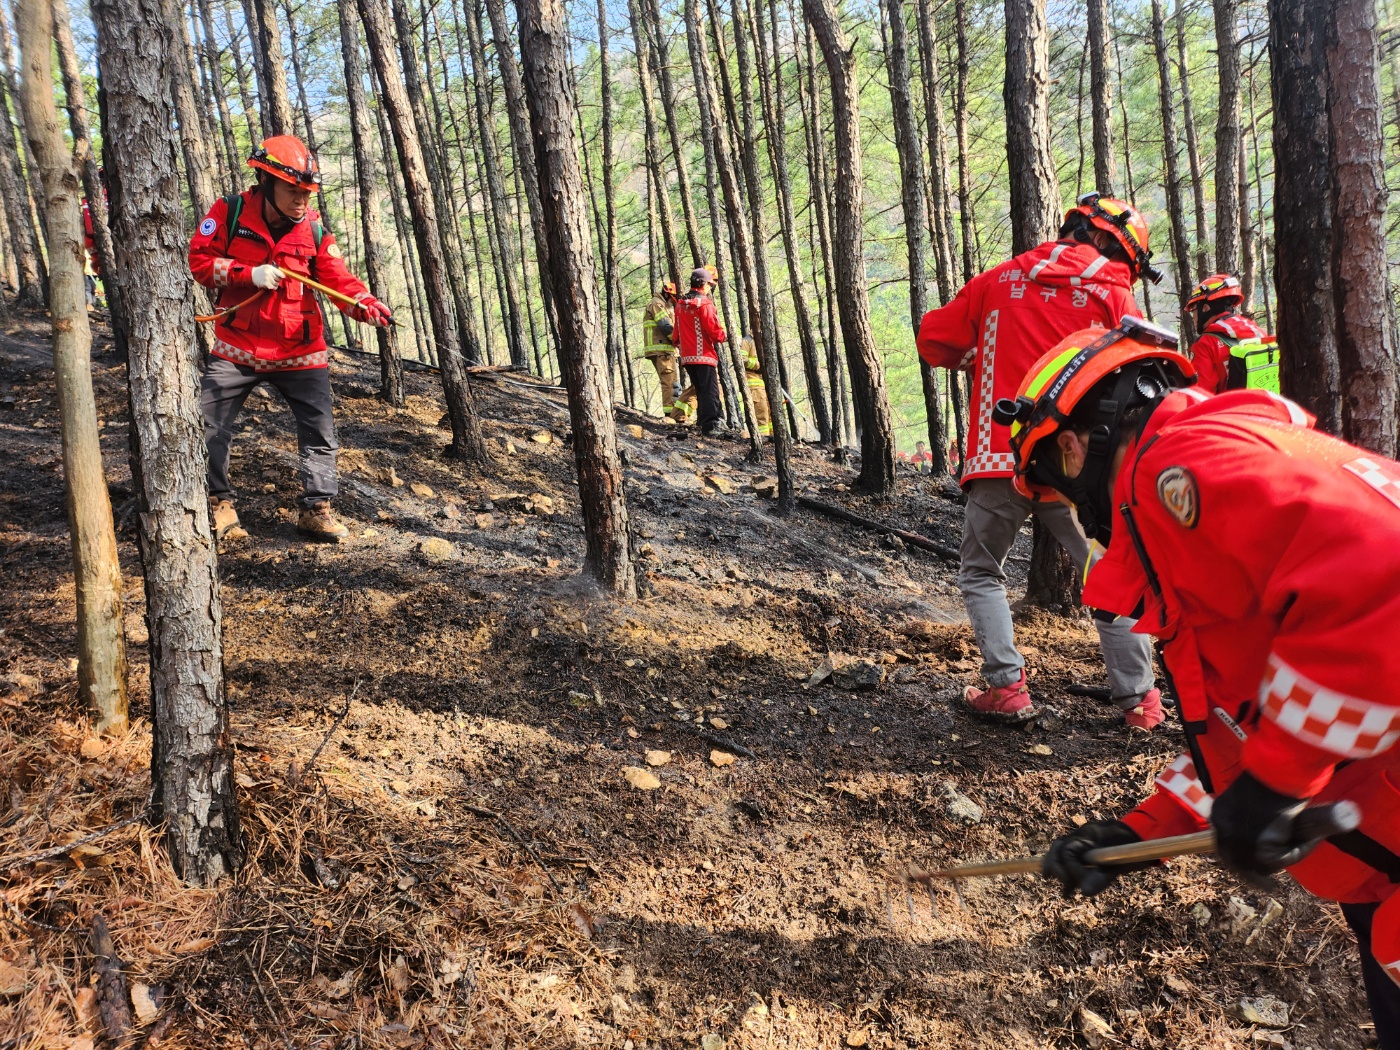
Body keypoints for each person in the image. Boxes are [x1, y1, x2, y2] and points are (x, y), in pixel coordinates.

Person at [998, 320, 1400, 1049]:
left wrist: (1279, 783)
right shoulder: (1203, 489)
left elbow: (1386, 571)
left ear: (1073, 446)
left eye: (1054, 489)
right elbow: (1244, 721)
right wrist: (1136, 834)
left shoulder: (1178, 467)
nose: (1072, 514)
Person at [916, 192, 1164, 728]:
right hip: (1080, 465)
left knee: (981, 573)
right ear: (1103, 240)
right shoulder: (1112, 289)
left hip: (998, 456)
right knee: (1109, 573)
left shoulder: (998, 279)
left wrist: (977, 354)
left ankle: (1006, 689)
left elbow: (933, 340)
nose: (1123, 270)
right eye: (1125, 259)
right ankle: (1141, 703)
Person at [189, 135, 391, 542]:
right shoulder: (228, 213)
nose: (301, 201)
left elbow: (337, 280)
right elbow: (199, 261)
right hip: (238, 348)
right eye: (292, 191)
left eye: (306, 192)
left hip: (301, 349)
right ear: (266, 182)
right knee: (209, 424)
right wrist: (248, 275)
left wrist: (363, 303)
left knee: (319, 432)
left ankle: (317, 508)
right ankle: (218, 503)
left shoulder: (313, 230)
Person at [1185, 273, 1277, 395]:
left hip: (1231, 412)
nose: (1193, 317)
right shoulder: (1259, 333)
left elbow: (1201, 395)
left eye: (1194, 311)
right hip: (1270, 409)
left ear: (1205, 308)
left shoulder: (1206, 344)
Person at [673, 265, 727, 436]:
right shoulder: (704, 304)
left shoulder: (680, 304)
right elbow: (712, 329)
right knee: (710, 390)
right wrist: (723, 336)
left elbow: (676, 332)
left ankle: (703, 422)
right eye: (710, 284)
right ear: (704, 284)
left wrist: (677, 343)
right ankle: (711, 425)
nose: (711, 287)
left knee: (700, 389)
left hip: (687, 357)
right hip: (704, 355)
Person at [640, 281, 687, 421]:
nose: (672, 302)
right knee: (669, 382)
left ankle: (673, 413)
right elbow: (666, 327)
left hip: (666, 350)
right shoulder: (657, 304)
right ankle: (670, 414)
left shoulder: (663, 304)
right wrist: (679, 341)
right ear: (666, 293)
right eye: (672, 298)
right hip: (662, 350)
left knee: (673, 382)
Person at [741, 336, 773, 436]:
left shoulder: (766, 340)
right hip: (753, 382)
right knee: (761, 412)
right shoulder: (747, 340)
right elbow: (742, 360)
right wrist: (759, 365)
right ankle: (763, 438)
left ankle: (773, 437)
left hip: (764, 382)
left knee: (770, 412)